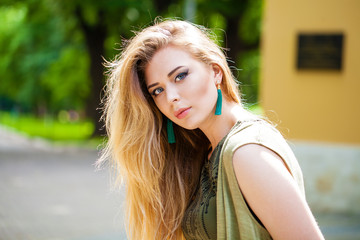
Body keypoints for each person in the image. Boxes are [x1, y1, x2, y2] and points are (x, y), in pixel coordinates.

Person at [98, 19, 324, 240]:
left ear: (216, 71)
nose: (171, 97)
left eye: (180, 76)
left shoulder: (247, 152)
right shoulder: (204, 149)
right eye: (157, 91)